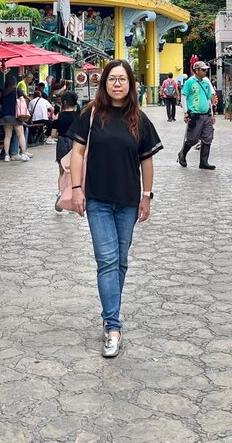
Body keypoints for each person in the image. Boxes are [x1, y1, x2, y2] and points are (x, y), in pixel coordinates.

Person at [69, 59, 162, 358]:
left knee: (120, 261)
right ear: (104, 83)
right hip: (97, 199)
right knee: (107, 261)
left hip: (128, 201)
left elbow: (147, 160)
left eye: (122, 79)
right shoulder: (90, 114)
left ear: (130, 84)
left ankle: (110, 312)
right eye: (112, 79)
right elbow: (77, 152)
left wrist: (146, 195)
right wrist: (76, 189)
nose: (117, 84)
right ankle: (113, 326)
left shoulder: (139, 119)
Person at [178, 60, 217, 171]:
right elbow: (184, 97)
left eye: (205, 70)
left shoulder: (206, 83)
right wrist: (185, 112)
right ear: (196, 70)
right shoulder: (189, 82)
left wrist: (211, 114)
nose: (205, 72)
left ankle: (204, 162)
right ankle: (182, 154)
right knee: (192, 139)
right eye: (203, 70)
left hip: (206, 115)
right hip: (195, 115)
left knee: (207, 138)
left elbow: (209, 99)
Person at [53, 90, 79, 213]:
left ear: (64, 102)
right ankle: (72, 198)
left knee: (62, 172)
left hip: (62, 143)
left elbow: (53, 134)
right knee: (75, 172)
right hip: (76, 144)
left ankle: (61, 193)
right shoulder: (79, 117)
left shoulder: (60, 116)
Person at [0, 74, 30, 162]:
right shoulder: (16, 90)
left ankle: (6, 156)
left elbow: (0, 103)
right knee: (20, 135)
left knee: (7, 136)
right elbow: (24, 99)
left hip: (5, 116)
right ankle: (24, 154)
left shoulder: (4, 92)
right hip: (15, 116)